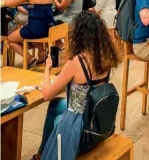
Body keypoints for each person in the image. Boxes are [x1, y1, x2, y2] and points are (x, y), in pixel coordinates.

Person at [33, 11, 119, 160]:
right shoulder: (105, 56)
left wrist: (47, 68)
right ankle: (41, 153)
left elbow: (46, 94)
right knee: (56, 104)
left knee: (57, 118)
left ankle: (44, 154)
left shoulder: (77, 62)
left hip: (81, 128)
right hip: (96, 118)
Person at [6, 0, 54, 68]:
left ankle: (29, 58)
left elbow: (9, 4)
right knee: (28, 26)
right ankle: (41, 52)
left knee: (10, 39)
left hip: (35, 30)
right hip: (48, 29)